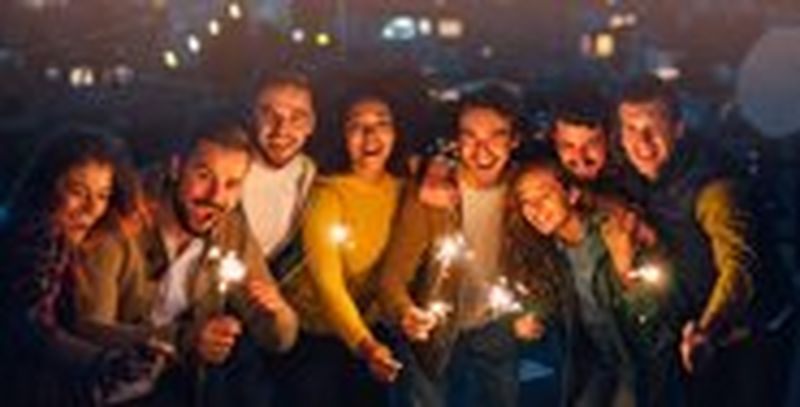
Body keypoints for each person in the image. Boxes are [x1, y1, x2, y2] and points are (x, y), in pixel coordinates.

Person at [74, 114, 298, 406]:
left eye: (232, 184)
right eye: (204, 176)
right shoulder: (124, 217)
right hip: (110, 386)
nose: (216, 197)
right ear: (177, 167)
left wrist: (276, 313)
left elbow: (280, 340)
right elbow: (88, 331)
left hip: (186, 385)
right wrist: (183, 340)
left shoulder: (230, 227)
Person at [617, 75, 794, 406]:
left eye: (653, 128)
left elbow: (739, 266)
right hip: (697, 326)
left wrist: (707, 329)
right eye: (629, 128)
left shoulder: (715, 187)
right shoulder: (637, 172)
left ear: (678, 128)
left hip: (752, 330)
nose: (641, 141)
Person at [380, 86, 542, 407]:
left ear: (514, 140)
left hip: (496, 324)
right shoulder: (433, 194)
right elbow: (393, 277)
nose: (482, 150)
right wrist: (406, 312)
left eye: (496, 136)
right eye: (470, 136)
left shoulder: (525, 190)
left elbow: (543, 260)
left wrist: (536, 312)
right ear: (457, 140)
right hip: (433, 327)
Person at [0, 127, 166, 405]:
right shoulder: (40, 233)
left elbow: (65, 325)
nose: (91, 209)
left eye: (102, 195)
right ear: (47, 184)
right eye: (77, 191)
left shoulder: (45, 233)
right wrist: (105, 364)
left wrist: (133, 344)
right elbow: (32, 330)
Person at [512, 160, 679, 407]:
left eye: (545, 196)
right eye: (526, 201)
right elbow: (549, 300)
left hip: (642, 362)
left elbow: (656, 321)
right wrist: (531, 319)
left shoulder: (618, 232)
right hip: (596, 364)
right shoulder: (549, 251)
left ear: (571, 194)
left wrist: (624, 267)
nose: (535, 208)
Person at [278, 92, 406, 406]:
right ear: (342, 136)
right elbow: (328, 285)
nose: (370, 135)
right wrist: (366, 345)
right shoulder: (328, 194)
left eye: (381, 123)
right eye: (356, 126)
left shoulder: (404, 188)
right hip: (318, 331)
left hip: (371, 325)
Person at [241, 72, 318, 280]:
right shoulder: (229, 167)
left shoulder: (309, 173)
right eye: (269, 114)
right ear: (252, 116)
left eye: (297, 117)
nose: (282, 129)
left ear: (311, 125)